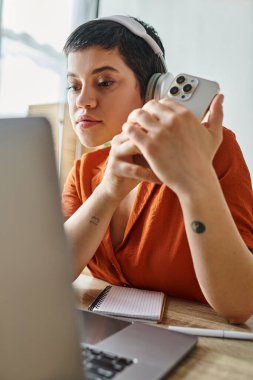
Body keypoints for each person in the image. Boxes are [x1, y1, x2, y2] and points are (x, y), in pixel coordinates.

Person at [62, 15, 253, 324]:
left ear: (153, 91)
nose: (82, 101)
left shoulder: (212, 150)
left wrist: (195, 182)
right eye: (73, 85)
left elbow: (239, 305)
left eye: (104, 82)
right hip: (103, 338)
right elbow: (50, 274)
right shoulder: (85, 172)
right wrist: (108, 192)